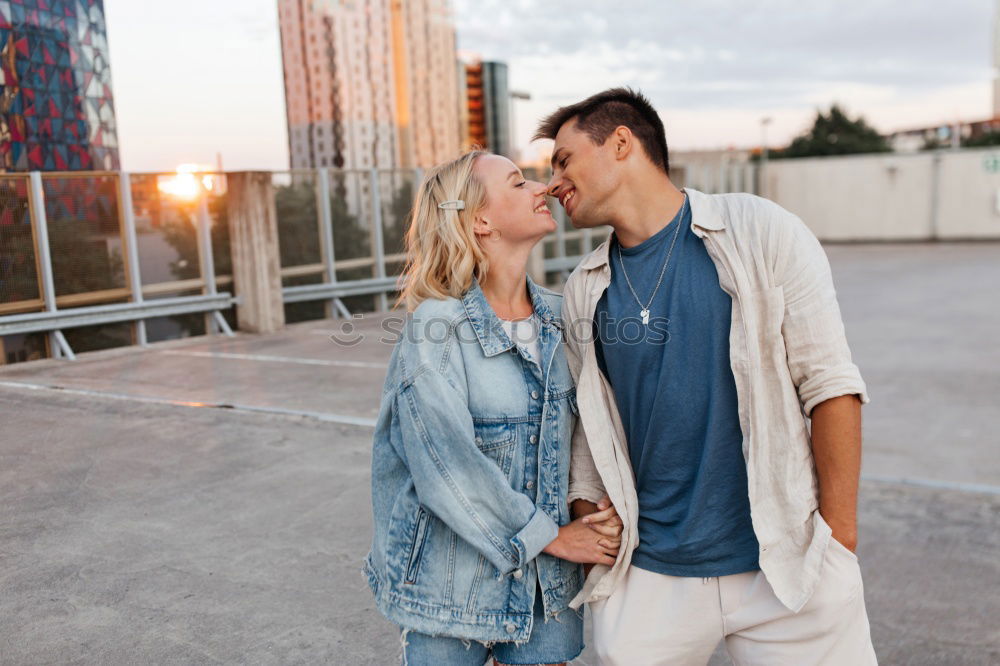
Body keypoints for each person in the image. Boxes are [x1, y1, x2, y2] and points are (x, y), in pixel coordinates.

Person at [537, 88, 878, 665]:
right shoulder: (583, 289)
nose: (552, 182)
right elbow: (590, 428)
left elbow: (831, 386)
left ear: (621, 143)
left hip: (785, 570)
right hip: (651, 575)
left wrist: (838, 543)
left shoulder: (762, 231)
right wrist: (587, 514)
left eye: (564, 159)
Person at [363, 149, 623, 666]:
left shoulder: (561, 314)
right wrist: (553, 538)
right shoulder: (437, 328)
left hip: (545, 596)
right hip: (448, 590)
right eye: (518, 182)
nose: (542, 188)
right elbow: (445, 467)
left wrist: (591, 509)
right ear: (480, 219)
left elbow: (585, 433)